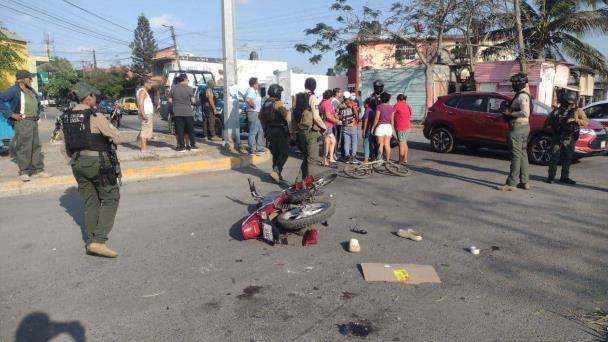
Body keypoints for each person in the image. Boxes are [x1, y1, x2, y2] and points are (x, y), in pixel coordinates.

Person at [61, 82, 121, 258]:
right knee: (111, 198)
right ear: (88, 97)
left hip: (77, 164)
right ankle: (99, 241)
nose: (96, 98)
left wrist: (75, 160)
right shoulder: (94, 115)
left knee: (90, 203)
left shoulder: (66, 117)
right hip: (97, 163)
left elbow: (64, 148)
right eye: (94, 96)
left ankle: (90, 242)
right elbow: (115, 137)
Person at [1, 70, 50, 181]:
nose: (31, 80)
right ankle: (24, 171)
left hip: (33, 122)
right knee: (24, 146)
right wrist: (11, 114)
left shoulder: (31, 90)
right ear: (21, 79)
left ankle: (38, 170)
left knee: (36, 145)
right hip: (22, 122)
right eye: (29, 78)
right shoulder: (14, 90)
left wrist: (38, 114)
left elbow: (37, 103)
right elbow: (1, 100)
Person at [544, 91, 589, 185]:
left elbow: (586, 121)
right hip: (557, 136)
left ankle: (564, 177)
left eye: (570, 103)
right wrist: (554, 121)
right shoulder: (557, 110)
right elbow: (547, 122)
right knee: (554, 157)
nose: (568, 105)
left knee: (567, 158)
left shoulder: (577, 110)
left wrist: (574, 120)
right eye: (567, 102)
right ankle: (551, 177)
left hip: (569, 137)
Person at [497, 72, 531, 191]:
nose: (513, 85)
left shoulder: (522, 96)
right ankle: (524, 181)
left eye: (514, 83)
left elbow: (526, 112)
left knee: (515, 156)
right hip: (524, 127)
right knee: (522, 154)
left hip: (518, 128)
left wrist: (510, 113)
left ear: (520, 84)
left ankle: (511, 183)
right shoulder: (525, 93)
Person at [292, 77, 326, 182]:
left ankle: (298, 182)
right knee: (312, 158)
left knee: (307, 157)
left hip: (300, 130)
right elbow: (316, 117)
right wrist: (324, 127)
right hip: (310, 131)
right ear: (314, 86)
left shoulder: (297, 97)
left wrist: (293, 131)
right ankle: (310, 185)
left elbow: (293, 115)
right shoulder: (312, 97)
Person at [259, 84, 291, 183]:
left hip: (270, 131)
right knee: (284, 152)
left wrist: (265, 129)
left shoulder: (265, 103)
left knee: (276, 153)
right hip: (280, 130)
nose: (280, 94)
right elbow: (286, 116)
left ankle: (276, 174)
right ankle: (276, 171)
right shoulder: (278, 103)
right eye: (280, 92)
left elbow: (260, 117)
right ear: (277, 93)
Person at [168, 74, 197, 152]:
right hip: (188, 112)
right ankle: (192, 145)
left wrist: (175, 105)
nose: (188, 82)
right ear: (184, 79)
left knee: (180, 130)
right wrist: (193, 103)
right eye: (188, 80)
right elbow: (193, 101)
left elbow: (170, 100)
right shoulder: (189, 89)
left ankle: (182, 147)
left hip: (177, 112)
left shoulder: (173, 88)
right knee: (190, 130)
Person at [320, 89, 341, 166]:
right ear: (330, 96)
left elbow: (330, 114)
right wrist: (337, 121)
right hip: (327, 125)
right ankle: (327, 159)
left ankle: (327, 159)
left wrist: (336, 116)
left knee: (330, 142)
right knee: (331, 142)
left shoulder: (322, 102)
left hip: (325, 125)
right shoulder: (327, 103)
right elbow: (328, 116)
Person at [338, 90, 360, 164]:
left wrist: (341, 118)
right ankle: (353, 157)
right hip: (353, 125)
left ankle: (347, 157)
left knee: (346, 142)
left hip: (345, 125)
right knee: (354, 141)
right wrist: (357, 119)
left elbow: (337, 115)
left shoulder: (340, 105)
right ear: (349, 97)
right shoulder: (353, 103)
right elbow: (356, 112)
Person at [372, 92, 394, 161]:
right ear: (388, 99)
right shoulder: (391, 107)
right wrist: (392, 128)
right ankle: (387, 160)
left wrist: (373, 127)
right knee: (387, 144)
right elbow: (392, 119)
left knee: (380, 144)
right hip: (388, 127)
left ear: (381, 99)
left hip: (381, 126)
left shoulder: (379, 107)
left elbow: (377, 118)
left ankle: (379, 160)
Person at [245, 77, 264, 155]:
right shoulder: (251, 90)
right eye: (257, 83)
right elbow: (247, 99)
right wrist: (253, 105)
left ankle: (259, 147)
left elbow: (244, 97)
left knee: (260, 131)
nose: (258, 84)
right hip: (253, 112)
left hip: (256, 113)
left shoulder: (254, 91)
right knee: (253, 131)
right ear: (254, 84)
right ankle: (252, 148)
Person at [136, 77, 154, 153]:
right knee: (145, 130)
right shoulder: (142, 91)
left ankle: (144, 145)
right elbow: (140, 103)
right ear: (145, 84)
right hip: (146, 113)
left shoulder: (143, 91)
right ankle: (143, 148)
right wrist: (143, 114)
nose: (151, 84)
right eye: (149, 83)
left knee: (146, 130)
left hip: (146, 113)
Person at [394, 94, 412, 164]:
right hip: (407, 126)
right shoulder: (408, 105)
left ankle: (400, 160)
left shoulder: (397, 105)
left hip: (400, 127)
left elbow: (392, 113)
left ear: (398, 99)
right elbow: (410, 115)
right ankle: (405, 159)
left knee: (401, 143)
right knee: (404, 143)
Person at [360, 98, 377, 163]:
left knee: (366, 144)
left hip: (368, 129)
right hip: (373, 129)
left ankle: (366, 159)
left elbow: (366, 121)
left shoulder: (367, 110)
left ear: (367, 104)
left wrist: (364, 131)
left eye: (364, 103)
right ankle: (372, 157)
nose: (363, 104)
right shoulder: (374, 110)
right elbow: (364, 117)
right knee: (370, 144)